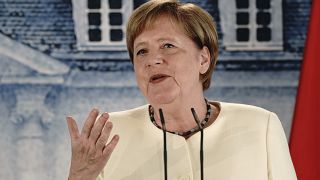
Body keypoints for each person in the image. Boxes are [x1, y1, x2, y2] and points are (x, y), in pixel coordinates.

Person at [66, 0, 297, 179]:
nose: (152, 60)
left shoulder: (260, 126)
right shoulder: (107, 136)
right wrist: (78, 178)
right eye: (141, 51)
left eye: (168, 46)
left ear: (203, 59)